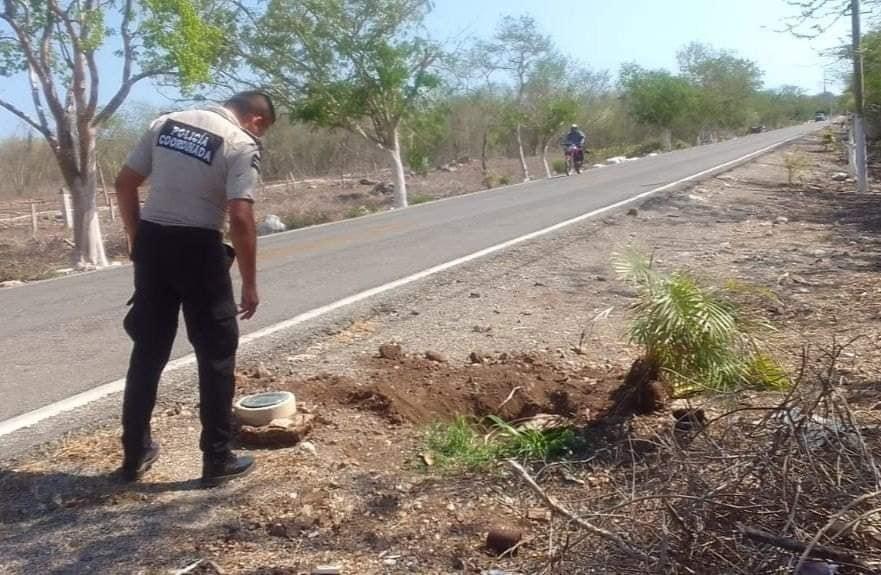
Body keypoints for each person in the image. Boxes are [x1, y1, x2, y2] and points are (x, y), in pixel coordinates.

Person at [114, 91, 276, 487]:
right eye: (264, 129)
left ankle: (134, 454)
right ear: (255, 120)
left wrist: (138, 240)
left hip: (152, 242)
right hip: (199, 248)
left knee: (148, 350)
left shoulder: (164, 123)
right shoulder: (240, 143)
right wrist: (250, 282)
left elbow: (124, 184)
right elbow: (240, 216)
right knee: (217, 352)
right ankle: (216, 459)